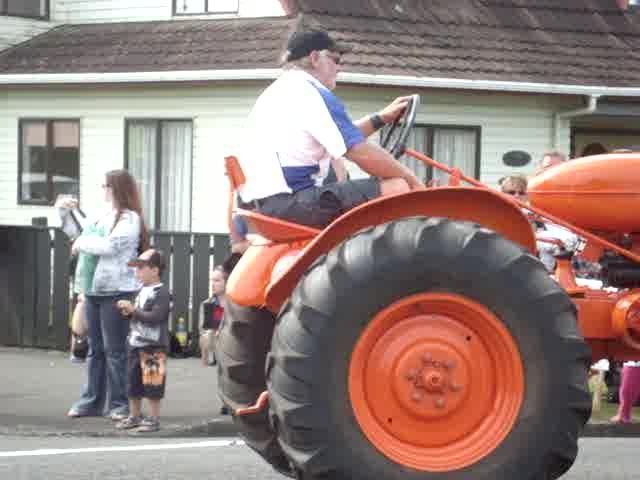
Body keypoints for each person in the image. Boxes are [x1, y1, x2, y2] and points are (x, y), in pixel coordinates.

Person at [238, 29, 423, 229]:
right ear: (315, 58)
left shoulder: (283, 90)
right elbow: (359, 152)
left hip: (273, 205)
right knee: (398, 187)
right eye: (335, 59)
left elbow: (342, 138)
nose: (339, 68)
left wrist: (380, 119)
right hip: (292, 204)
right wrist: (415, 183)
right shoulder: (312, 93)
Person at [67, 169, 149, 421]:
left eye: (106, 186)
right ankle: (91, 401)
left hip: (116, 290)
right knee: (96, 349)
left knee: (115, 350)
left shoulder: (130, 218)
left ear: (117, 189)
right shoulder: (102, 215)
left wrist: (81, 242)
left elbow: (109, 246)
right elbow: (77, 231)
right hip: (93, 288)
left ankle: (119, 404)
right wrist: (64, 211)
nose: (103, 190)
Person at [114, 248, 170, 432]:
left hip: (154, 345)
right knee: (133, 381)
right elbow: (138, 316)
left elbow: (157, 316)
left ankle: (153, 418)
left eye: (141, 267)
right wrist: (128, 312)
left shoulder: (162, 292)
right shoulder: (141, 290)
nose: (137, 271)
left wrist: (133, 311)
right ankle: (134, 415)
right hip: (136, 342)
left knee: (153, 382)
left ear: (155, 270)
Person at [198, 266, 227, 367]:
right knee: (206, 335)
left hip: (231, 349)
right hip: (213, 348)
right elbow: (203, 330)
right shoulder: (207, 304)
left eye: (217, 280)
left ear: (226, 282)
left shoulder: (235, 305)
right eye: (212, 280)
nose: (213, 284)